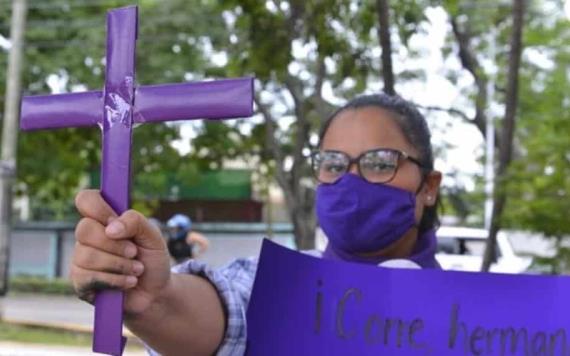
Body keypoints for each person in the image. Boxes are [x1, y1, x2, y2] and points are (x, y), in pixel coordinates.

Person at [70, 93, 442, 355]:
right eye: (333, 163)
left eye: (379, 162)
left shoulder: (483, 322)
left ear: (428, 187)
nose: (351, 179)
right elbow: (230, 311)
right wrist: (156, 298)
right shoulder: (280, 284)